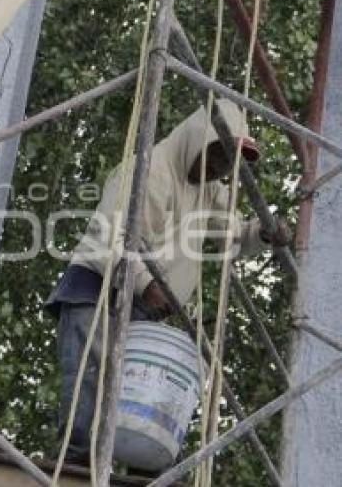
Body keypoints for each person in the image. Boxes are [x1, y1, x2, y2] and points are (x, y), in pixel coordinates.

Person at [44, 100, 289, 465]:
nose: (220, 167)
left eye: (227, 162)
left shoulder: (211, 188)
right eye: (216, 155)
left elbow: (232, 237)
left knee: (132, 399)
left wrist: (265, 234)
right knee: (89, 387)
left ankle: (131, 469)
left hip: (141, 305)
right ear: (196, 139)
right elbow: (109, 237)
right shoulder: (149, 170)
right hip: (97, 292)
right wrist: (147, 283)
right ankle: (73, 470)